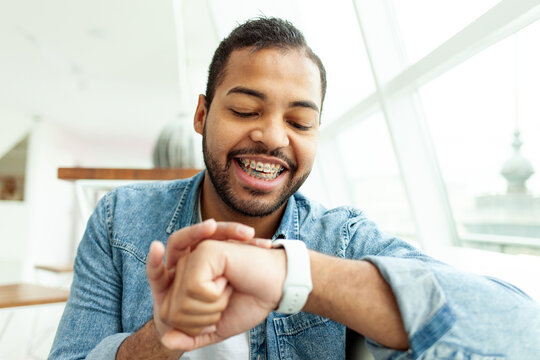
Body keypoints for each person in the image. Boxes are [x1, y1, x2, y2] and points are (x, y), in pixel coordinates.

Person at [49, 17, 540, 360]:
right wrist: (164, 335)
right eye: (245, 110)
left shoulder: (343, 241)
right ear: (202, 114)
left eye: (301, 121)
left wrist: (287, 272)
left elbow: (521, 331)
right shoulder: (120, 220)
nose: (274, 137)